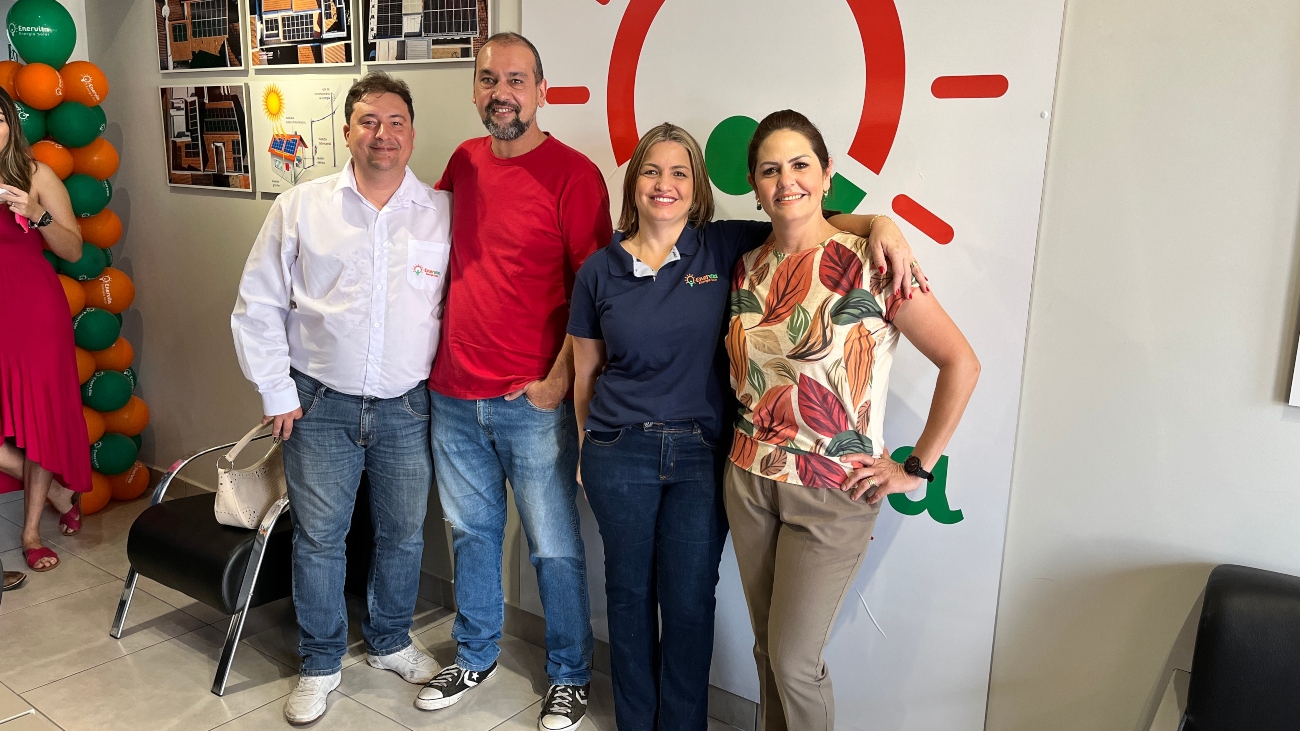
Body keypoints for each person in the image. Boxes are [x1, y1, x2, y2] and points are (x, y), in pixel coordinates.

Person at [569, 123, 923, 731]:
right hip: (618, 452)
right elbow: (585, 373)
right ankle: (635, 722)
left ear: (698, 187)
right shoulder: (599, 270)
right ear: (633, 183)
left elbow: (807, 219)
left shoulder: (722, 245)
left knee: (688, 601)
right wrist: (584, 447)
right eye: (651, 170)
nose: (664, 184)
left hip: (700, 457)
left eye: (680, 172)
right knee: (627, 595)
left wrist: (881, 223)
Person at [723, 110, 980, 731]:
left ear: (827, 174)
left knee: (795, 661)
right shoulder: (746, 266)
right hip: (749, 478)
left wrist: (915, 467)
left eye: (801, 165)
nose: (787, 181)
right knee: (767, 651)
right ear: (754, 185)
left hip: (833, 493)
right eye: (770, 170)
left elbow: (961, 363)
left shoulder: (872, 260)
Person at [231, 72, 449, 727]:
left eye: (395, 122)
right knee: (320, 539)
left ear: (412, 134)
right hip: (318, 403)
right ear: (348, 131)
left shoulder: (440, 212)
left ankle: (389, 640)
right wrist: (276, 389)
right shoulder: (301, 206)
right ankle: (321, 661)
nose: (383, 134)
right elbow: (258, 303)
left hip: (407, 406)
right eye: (369, 122)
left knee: (403, 535)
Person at [417, 32, 609, 731]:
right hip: (452, 394)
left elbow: (597, 296)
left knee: (553, 546)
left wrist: (555, 383)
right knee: (471, 536)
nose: (502, 93)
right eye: (489, 79)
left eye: (516, 80)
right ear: (475, 89)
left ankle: (569, 675)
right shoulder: (463, 162)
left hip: (532, 403)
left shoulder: (575, 175)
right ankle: (474, 655)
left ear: (541, 91)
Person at [0, 87, 91, 576]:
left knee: (38, 420)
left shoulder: (37, 174)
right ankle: (58, 492)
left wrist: (37, 216)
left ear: (11, 124)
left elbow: (73, 250)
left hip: (32, 311)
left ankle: (31, 533)